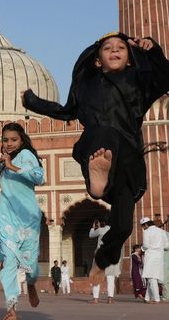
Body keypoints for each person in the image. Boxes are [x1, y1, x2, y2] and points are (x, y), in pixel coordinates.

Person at [22, 33, 169, 285]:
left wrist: (153, 49)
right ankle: (97, 181)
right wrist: (31, 101)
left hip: (127, 160)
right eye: (108, 47)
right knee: (106, 132)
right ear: (97, 60)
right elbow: (66, 110)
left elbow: (165, 78)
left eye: (121, 47)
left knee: (123, 227)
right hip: (97, 147)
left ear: (130, 58)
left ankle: (101, 261)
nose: (115, 50)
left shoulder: (139, 83)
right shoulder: (86, 87)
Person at [0, 122, 45, 320]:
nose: (9, 143)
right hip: (7, 217)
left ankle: (31, 283)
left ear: (22, 140)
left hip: (27, 217)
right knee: (9, 262)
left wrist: (13, 167)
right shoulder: (3, 162)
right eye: (5, 139)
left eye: (14, 139)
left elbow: (40, 177)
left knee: (31, 263)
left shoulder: (26, 155)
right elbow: (8, 191)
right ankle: (11, 308)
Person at [88, 218, 122, 304]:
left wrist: (93, 227)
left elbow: (91, 235)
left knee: (97, 277)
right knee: (110, 278)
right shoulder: (116, 232)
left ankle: (95, 299)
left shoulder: (101, 230)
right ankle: (110, 299)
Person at [140, 217, 169, 304]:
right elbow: (167, 245)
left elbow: (146, 245)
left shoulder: (147, 232)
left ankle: (156, 299)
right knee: (152, 277)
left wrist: (141, 249)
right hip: (159, 256)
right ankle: (147, 298)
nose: (143, 228)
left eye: (142, 226)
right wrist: (159, 247)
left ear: (146, 224)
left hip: (151, 256)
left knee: (151, 277)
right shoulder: (161, 231)